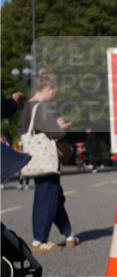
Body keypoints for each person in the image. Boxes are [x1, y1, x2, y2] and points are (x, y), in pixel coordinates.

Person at [18, 74, 78, 252]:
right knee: (46, 199)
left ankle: (69, 234)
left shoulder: (28, 107)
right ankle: (39, 241)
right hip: (46, 161)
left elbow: (33, 130)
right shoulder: (41, 107)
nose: (54, 94)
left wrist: (54, 124)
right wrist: (62, 127)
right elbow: (55, 133)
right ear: (47, 88)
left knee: (55, 198)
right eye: (53, 90)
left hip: (37, 160)